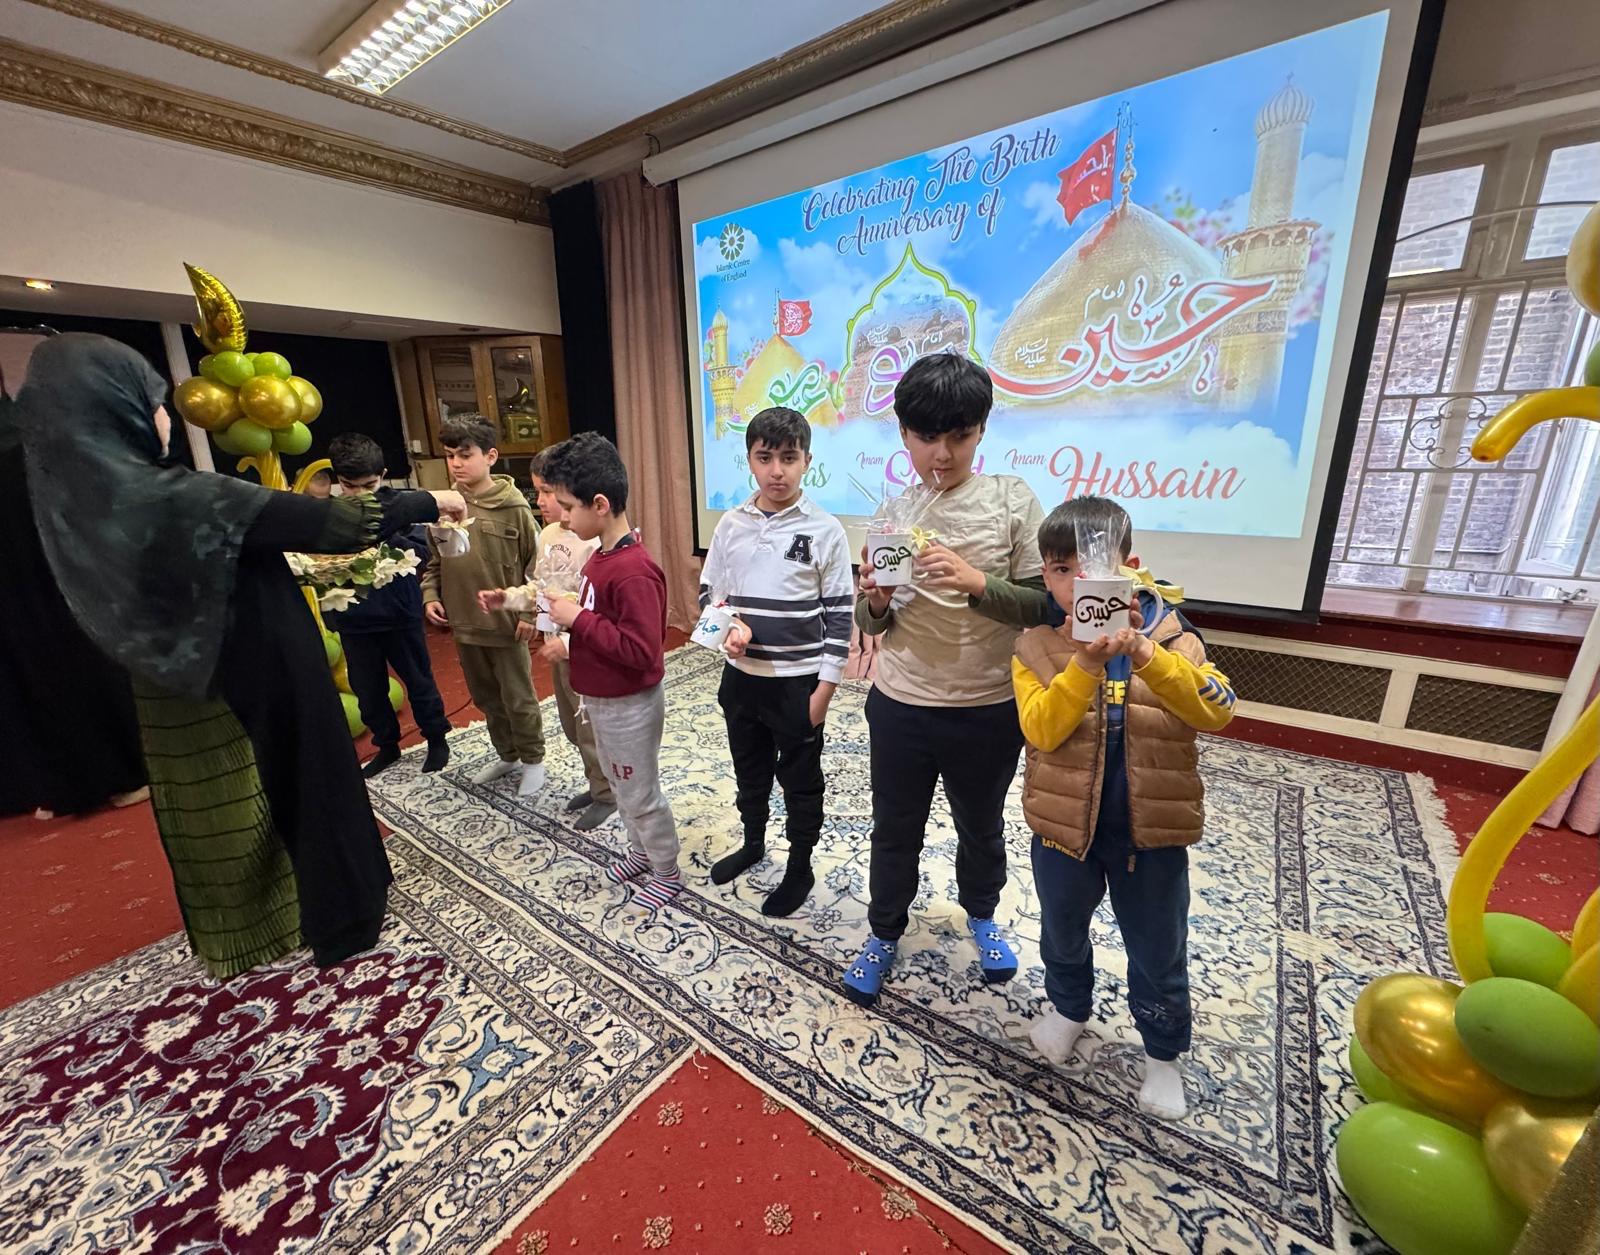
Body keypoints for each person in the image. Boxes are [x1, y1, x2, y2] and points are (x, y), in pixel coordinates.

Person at [12, 333, 466, 975]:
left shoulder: (73, 504)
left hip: (175, 677)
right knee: (309, 776)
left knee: (226, 802)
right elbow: (339, 525)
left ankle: (259, 923)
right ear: (120, 409)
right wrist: (427, 500)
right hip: (260, 657)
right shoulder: (177, 495)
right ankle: (344, 918)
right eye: (154, 400)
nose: (167, 415)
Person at [1011, 497, 1235, 1120]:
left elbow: (1216, 710)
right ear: (1045, 576)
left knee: (1158, 947)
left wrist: (1146, 654)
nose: (1077, 584)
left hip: (1152, 835)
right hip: (1063, 832)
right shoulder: (1035, 647)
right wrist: (1084, 664)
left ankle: (1163, 1053)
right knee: (1061, 931)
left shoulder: (1175, 638)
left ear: (1130, 570)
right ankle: (1068, 1009)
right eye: (1061, 571)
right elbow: (1041, 729)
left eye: (1093, 570)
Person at [842, 353, 1046, 1007]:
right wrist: (874, 599)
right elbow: (874, 619)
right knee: (893, 828)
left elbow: (1046, 605)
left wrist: (976, 581)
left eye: (959, 435)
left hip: (986, 705)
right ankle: (883, 932)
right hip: (901, 701)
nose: (943, 453)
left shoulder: (1011, 501)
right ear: (904, 434)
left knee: (981, 826)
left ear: (982, 430)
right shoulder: (894, 511)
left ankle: (983, 915)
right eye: (927, 436)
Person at [485, 433, 681, 909]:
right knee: (621, 785)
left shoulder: (634, 570)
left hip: (629, 704)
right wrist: (533, 607)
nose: (563, 517)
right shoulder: (600, 557)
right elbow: (588, 617)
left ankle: (667, 871)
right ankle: (640, 852)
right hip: (603, 699)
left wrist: (578, 620)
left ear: (600, 505)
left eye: (569, 507)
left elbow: (643, 652)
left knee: (640, 793)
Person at [698, 406, 852, 917]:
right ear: (749, 460)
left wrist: (824, 692)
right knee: (750, 771)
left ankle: (800, 865)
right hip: (742, 680)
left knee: (801, 781)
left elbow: (840, 617)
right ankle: (753, 842)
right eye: (765, 458)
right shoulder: (730, 524)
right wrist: (728, 629)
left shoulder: (825, 529)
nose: (777, 471)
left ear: (807, 461)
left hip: (797, 684)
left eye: (789, 458)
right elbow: (710, 594)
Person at [0, 331, 147, 820]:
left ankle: (62, 784)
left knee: (32, 675)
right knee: (82, 660)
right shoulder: (38, 442)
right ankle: (122, 775)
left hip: (21, 597)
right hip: (64, 582)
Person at [422, 417, 546, 797]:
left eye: (465, 454)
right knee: (486, 698)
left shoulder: (515, 508)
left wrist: (529, 613)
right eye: (450, 456)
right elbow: (434, 562)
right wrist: (431, 595)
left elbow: (537, 567)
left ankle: (533, 760)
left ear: (490, 456)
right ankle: (508, 754)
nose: (456, 463)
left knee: (518, 699)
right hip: (464, 623)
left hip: (506, 626)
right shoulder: (442, 507)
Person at [325, 432, 452, 778]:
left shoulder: (402, 507)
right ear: (339, 480)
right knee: (367, 690)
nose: (360, 494)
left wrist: (389, 544)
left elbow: (425, 550)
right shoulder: (332, 514)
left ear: (382, 475)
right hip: (354, 621)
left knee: (419, 680)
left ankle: (437, 738)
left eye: (369, 485)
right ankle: (387, 745)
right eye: (350, 486)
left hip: (399, 614)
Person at [526, 449, 616, 831]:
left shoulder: (592, 540)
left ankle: (608, 793)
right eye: (537, 492)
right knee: (571, 724)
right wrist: (535, 618)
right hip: (556, 643)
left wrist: (570, 636)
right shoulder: (547, 534)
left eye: (548, 492)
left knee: (590, 725)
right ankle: (596, 782)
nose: (541, 501)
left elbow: (599, 605)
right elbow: (541, 581)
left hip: (583, 647)